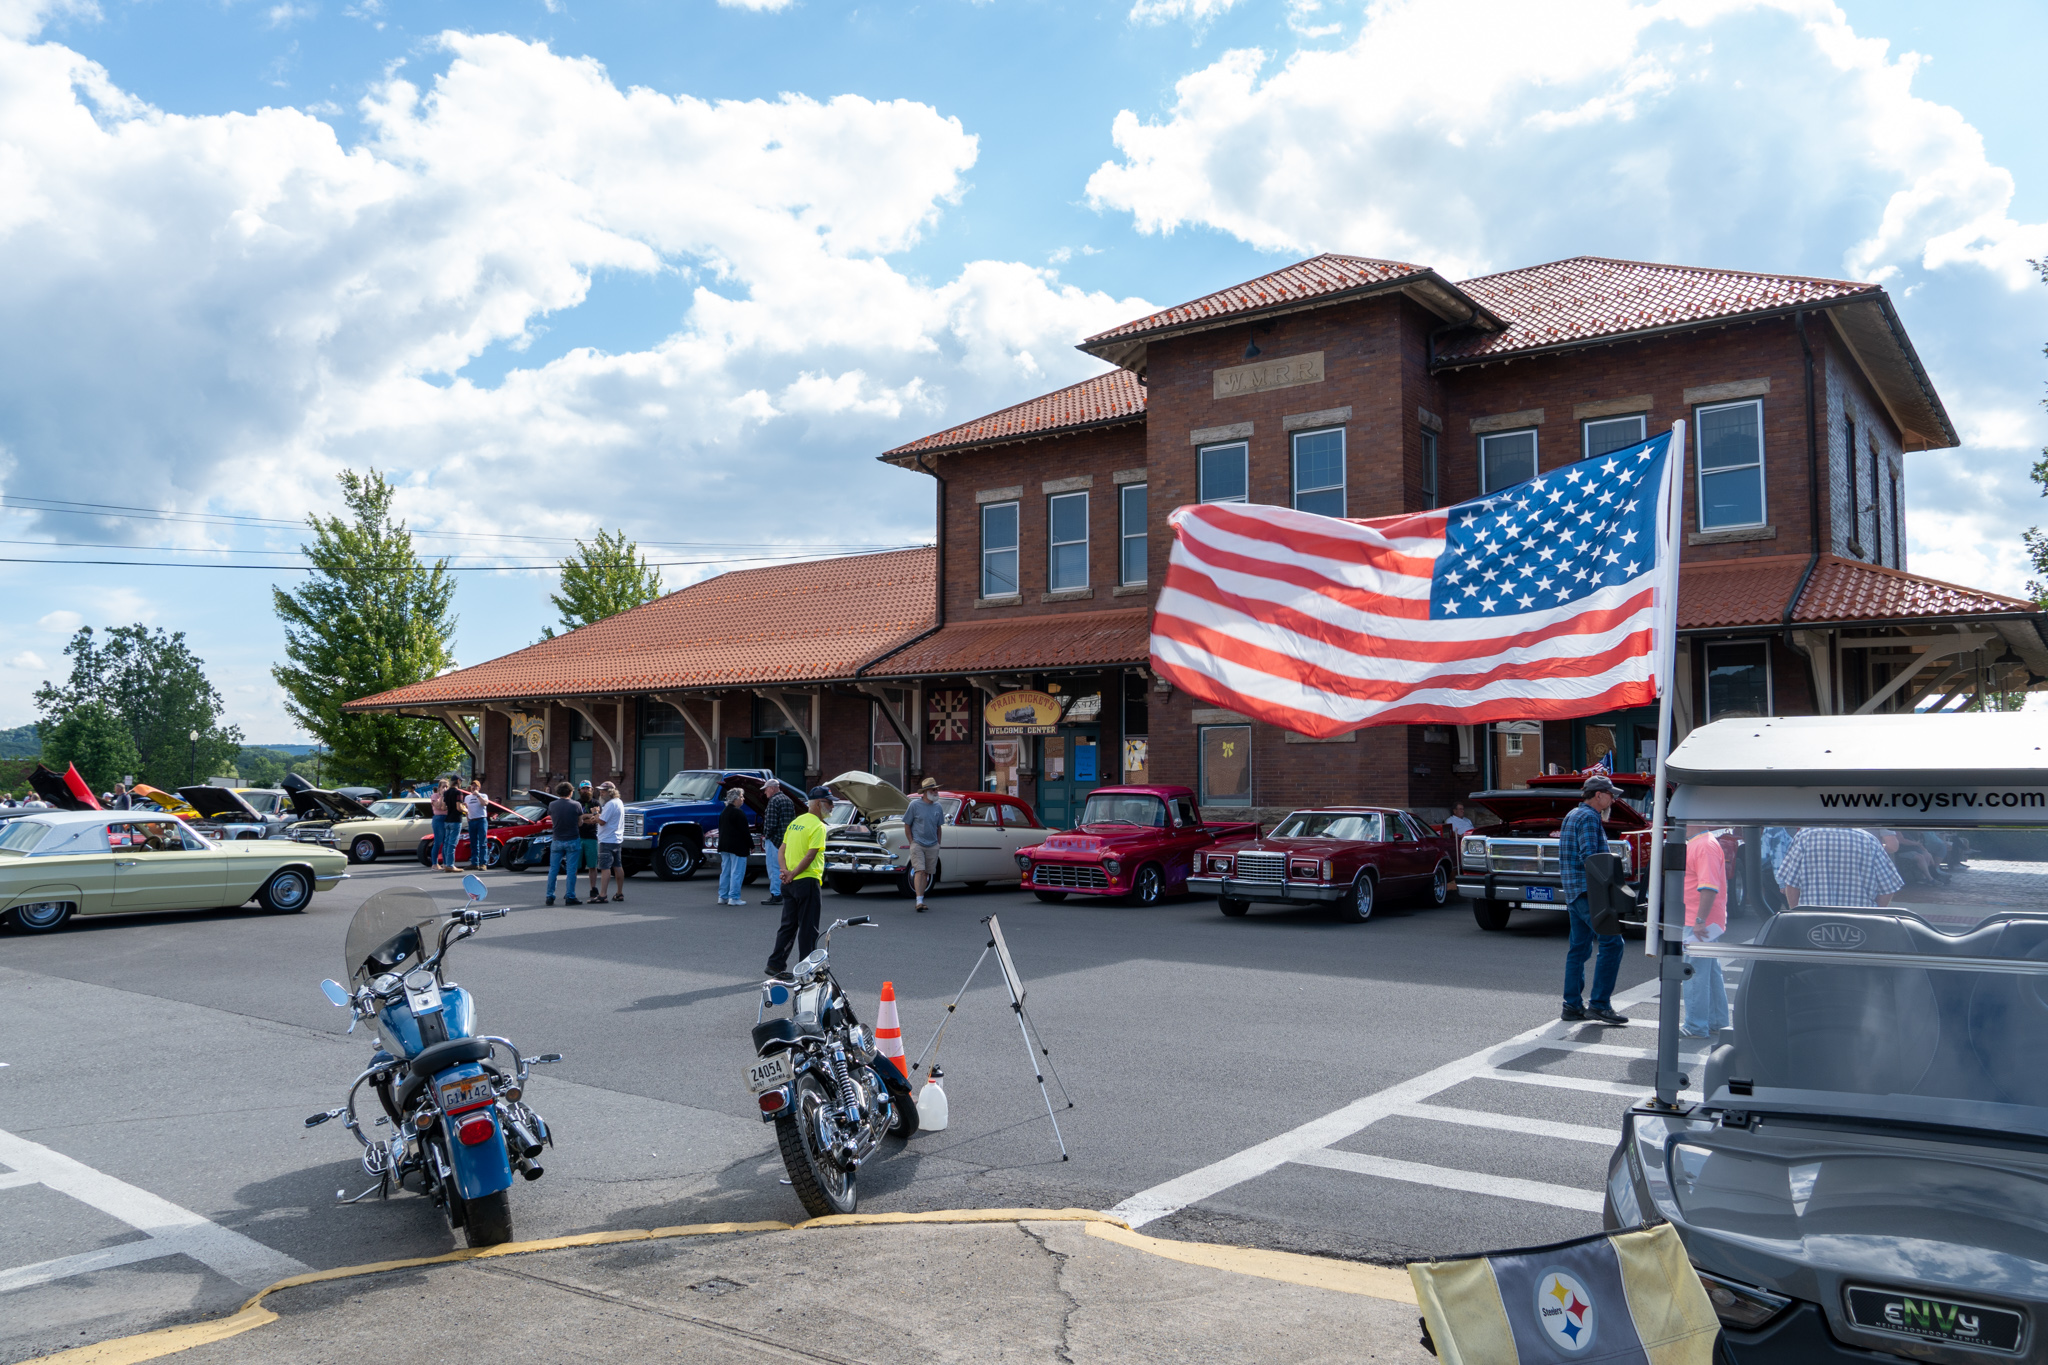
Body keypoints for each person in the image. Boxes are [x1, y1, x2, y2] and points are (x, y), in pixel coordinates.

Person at [1560, 774, 1628, 1026]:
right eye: (1611, 795)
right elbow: (1592, 858)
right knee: (1613, 943)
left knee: (1578, 949)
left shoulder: (1572, 815)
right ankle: (1599, 1004)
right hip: (1590, 892)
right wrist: (1612, 884)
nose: (1613, 799)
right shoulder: (1589, 817)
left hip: (1574, 892)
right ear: (1598, 795)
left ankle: (1572, 1005)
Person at [766, 785, 833, 979]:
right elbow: (811, 855)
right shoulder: (818, 826)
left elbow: (781, 850)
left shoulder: (796, 822)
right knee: (808, 928)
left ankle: (775, 964)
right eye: (829, 803)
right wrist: (793, 873)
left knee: (788, 925)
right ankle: (807, 969)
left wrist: (785, 872)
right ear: (819, 804)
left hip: (789, 883)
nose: (832, 807)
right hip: (807, 880)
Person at [1681, 825, 1732, 1038]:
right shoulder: (1704, 843)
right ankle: (1717, 1021)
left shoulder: (1703, 845)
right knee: (1709, 971)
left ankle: (1696, 1025)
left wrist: (1699, 920)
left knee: (1694, 973)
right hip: (1704, 920)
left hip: (1699, 921)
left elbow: (1708, 886)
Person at [1774, 826, 1902, 908]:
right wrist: (1875, 914)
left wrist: (1796, 914)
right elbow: (1888, 887)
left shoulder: (1804, 836)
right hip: (1861, 923)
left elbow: (1791, 883)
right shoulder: (1869, 840)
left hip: (1812, 922)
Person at [903, 777, 946, 912]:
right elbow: (907, 825)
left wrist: (938, 843)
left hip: (933, 844)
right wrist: (912, 842)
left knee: (927, 873)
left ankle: (921, 898)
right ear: (926, 791)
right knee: (919, 871)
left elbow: (939, 827)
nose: (936, 791)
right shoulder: (914, 805)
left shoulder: (938, 806)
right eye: (934, 789)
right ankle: (919, 901)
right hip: (918, 844)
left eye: (937, 789)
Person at [545, 782, 584, 906]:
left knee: (553, 869)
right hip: (572, 839)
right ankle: (570, 896)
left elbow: (551, 819)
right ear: (571, 792)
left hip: (557, 839)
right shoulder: (576, 805)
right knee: (571, 870)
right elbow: (580, 823)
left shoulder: (552, 805)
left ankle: (550, 896)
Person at [758, 778, 796, 906]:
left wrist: (766, 835)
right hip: (786, 840)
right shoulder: (788, 800)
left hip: (774, 840)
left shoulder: (773, 801)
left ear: (772, 788)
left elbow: (771, 824)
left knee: (774, 868)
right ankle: (785, 893)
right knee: (784, 867)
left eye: (766, 789)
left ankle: (776, 894)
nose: (765, 793)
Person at [593, 781, 626, 902]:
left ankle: (602, 895)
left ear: (611, 792)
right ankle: (619, 893)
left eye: (604, 791)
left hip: (606, 839)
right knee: (617, 865)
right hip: (617, 839)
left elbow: (602, 821)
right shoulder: (619, 802)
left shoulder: (610, 804)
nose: (601, 793)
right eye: (600, 791)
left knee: (605, 867)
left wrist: (595, 813)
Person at [717, 787, 750, 906]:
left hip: (724, 846)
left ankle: (722, 896)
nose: (743, 799)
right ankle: (734, 897)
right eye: (741, 797)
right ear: (735, 799)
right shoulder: (738, 813)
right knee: (737, 872)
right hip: (737, 847)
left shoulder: (724, 812)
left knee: (725, 871)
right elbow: (745, 831)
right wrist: (750, 845)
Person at [576, 781, 603, 901]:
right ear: (579, 790)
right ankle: (571, 890)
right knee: (574, 866)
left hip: (591, 837)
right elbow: (576, 820)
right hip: (577, 837)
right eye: (583, 788)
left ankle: (593, 889)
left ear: (592, 790)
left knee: (592, 865)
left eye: (588, 788)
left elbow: (596, 820)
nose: (586, 790)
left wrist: (583, 817)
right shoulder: (576, 803)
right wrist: (588, 816)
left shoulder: (596, 803)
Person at [464, 777, 489, 871]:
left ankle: (483, 863)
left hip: (481, 820)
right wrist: (468, 819)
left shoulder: (483, 795)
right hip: (472, 821)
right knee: (473, 843)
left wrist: (478, 795)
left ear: (479, 788)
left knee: (482, 842)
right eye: (472, 786)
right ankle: (474, 863)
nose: (474, 787)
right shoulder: (467, 797)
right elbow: (466, 809)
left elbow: (485, 803)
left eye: (476, 786)